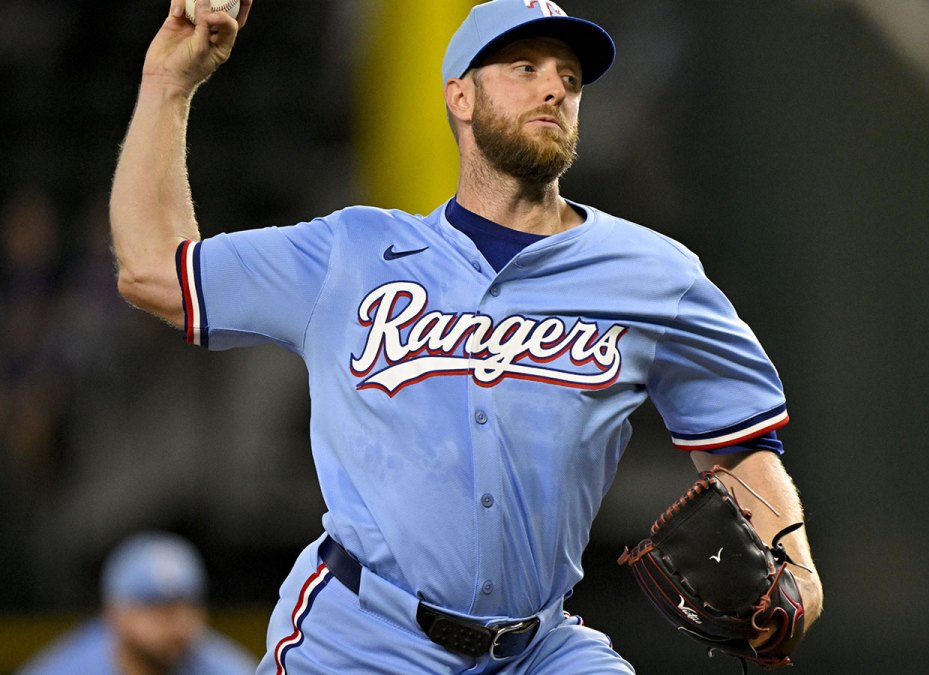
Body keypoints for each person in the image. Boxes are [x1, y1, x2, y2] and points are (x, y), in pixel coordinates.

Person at [109, 0, 825, 671]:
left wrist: (796, 567)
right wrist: (169, 83)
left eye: (569, 77)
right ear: (460, 96)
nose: (554, 89)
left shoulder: (654, 275)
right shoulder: (350, 252)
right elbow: (153, 272)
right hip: (363, 635)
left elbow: (740, 446)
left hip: (538, 643)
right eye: (525, 68)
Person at [17, 531, 257, 675]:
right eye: (158, 606)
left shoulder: (226, 667)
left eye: (188, 604)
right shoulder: (68, 668)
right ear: (115, 612)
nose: (179, 621)